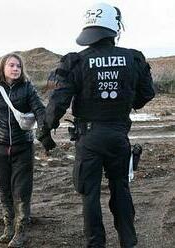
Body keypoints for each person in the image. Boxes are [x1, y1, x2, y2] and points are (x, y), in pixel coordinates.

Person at [37, 3, 155, 248]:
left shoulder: (76, 61)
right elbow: (146, 95)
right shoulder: (133, 58)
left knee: (89, 195)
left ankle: (96, 244)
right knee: (120, 189)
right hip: (118, 134)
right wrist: (124, 99)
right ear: (114, 27)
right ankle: (128, 242)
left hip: (88, 137)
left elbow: (58, 102)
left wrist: (45, 129)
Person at [0, 53, 55, 247]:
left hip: (23, 148)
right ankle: (8, 226)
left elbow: (39, 110)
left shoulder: (28, 88)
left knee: (21, 190)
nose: (15, 69)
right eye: (11, 65)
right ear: (3, 68)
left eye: (18, 66)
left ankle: (21, 230)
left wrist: (44, 134)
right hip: (0, 148)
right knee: (5, 190)